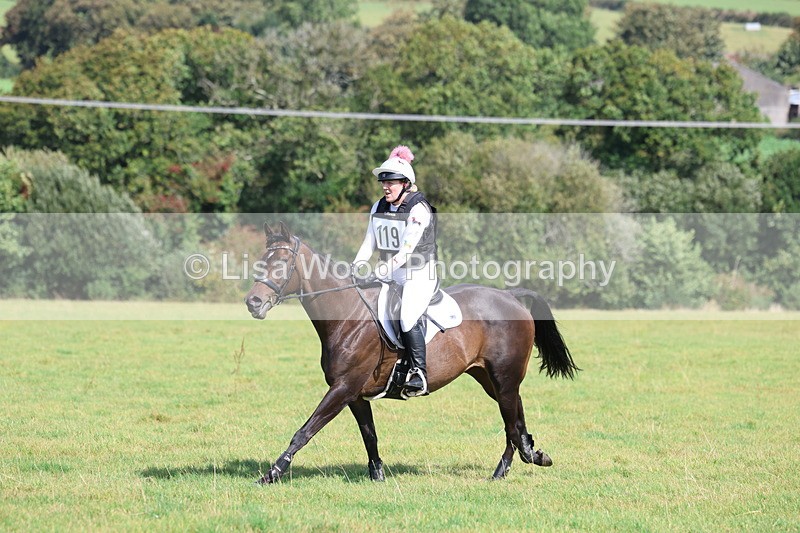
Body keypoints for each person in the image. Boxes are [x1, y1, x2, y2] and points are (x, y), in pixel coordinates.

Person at [353, 145, 438, 397]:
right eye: (383, 182)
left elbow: (406, 253)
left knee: (407, 316)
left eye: (391, 182)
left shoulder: (418, 210)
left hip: (419, 274)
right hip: (390, 274)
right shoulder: (378, 207)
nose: (385, 187)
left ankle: (419, 373)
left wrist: (379, 271)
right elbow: (369, 243)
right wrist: (356, 267)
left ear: (406, 183)